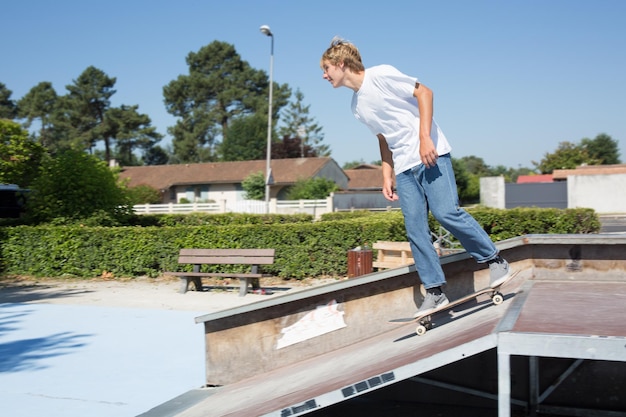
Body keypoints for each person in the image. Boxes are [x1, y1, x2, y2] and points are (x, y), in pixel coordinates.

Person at [320, 37, 511, 316]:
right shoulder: (356, 107)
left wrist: (425, 138)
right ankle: (435, 292)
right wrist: (386, 173)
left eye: (326, 68)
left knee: (446, 213)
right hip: (404, 167)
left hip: (430, 154)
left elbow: (425, 93)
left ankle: (495, 261)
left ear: (341, 64)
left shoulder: (380, 75)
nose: (324, 76)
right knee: (415, 229)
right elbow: (383, 138)